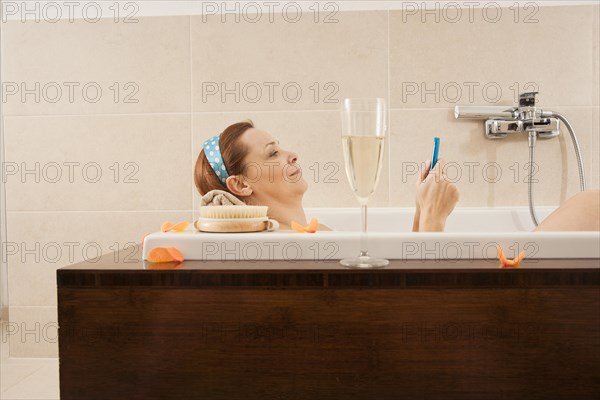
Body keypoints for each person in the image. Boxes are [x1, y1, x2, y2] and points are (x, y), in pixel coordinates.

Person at [195, 121, 599, 232]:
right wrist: (436, 220)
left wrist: (422, 211)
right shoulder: (287, 246)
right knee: (591, 204)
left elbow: (397, 277)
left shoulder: (310, 235)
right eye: (273, 153)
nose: (290, 153)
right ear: (241, 185)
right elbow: (415, 302)